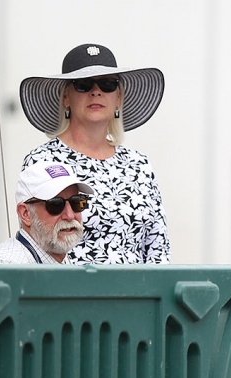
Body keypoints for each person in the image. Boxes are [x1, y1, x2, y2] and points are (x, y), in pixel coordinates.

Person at [19, 43, 170, 265]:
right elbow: (34, 243)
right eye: (83, 84)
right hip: (72, 295)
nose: (96, 91)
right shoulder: (42, 161)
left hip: (139, 295)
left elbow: (158, 247)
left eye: (108, 84)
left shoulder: (139, 164)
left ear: (118, 98)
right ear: (66, 98)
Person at [0, 161, 94, 264]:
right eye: (56, 205)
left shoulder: (58, 255)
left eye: (76, 202)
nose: (69, 215)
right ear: (25, 213)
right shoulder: (4, 266)